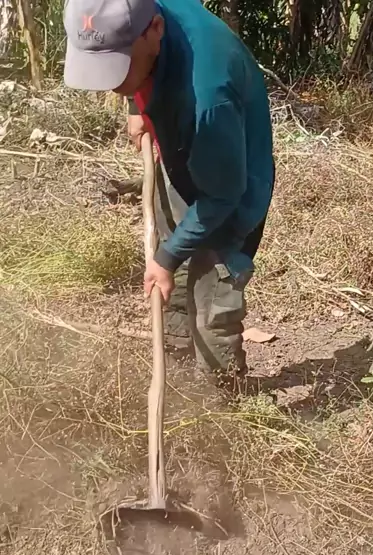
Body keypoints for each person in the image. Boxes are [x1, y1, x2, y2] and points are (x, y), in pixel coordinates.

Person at [63, 0, 274, 381]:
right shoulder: (137, 10)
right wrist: (137, 105)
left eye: (119, 67)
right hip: (183, 151)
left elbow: (223, 196)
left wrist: (167, 257)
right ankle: (177, 373)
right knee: (172, 269)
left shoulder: (209, 96)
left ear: (156, 30)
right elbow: (134, 56)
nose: (111, 83)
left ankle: (217, 397)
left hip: (230, 188)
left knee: (211, 300)